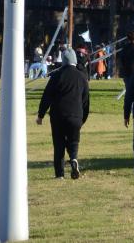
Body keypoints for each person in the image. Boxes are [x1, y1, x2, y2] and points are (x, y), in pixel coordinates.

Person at [36, 48, 90, 180]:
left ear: (63, 61)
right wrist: (82, 118)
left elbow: (47, 96)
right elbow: (86, 100)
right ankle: (73, 159)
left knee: (59, 143)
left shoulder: (57, 75)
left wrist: (40, 115)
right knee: (73, 140)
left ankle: (59, 174)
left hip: (58, 115)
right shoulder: (82, 77)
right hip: (76, 115)